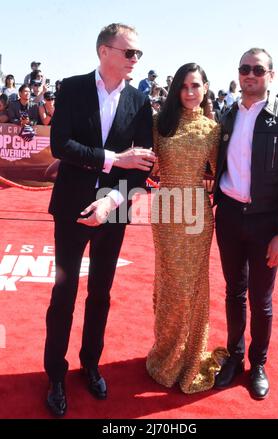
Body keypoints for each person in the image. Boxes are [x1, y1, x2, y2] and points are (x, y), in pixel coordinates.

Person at [44, 22, 156, 417]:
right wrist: (113, 159)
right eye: (129, 53)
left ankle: (90, 364)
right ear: (104, 52)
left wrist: (110, 200)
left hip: (114, 208)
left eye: (138, 54)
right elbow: (61, 144)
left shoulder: (140, 103)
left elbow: (140, 167)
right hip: (72, 207)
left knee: (101, 294)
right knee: (64, 293)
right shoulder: (72, 88)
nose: (135, 61)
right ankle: (55, 374)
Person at [213, 48, 278, 399]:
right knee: (233, 293)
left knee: (261, 299)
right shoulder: (227, 115)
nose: (250, 75)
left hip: (267, 222)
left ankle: (258, 363)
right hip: (230, 216)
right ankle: (233, 357)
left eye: (258, 69)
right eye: (244, 69)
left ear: (271, 75)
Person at [146, 63, 228, 394]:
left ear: (206, 88)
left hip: (196, 214)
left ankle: (190, 355)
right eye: (184, 86)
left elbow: (226, 170)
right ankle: (166, 354)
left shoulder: (212, 129)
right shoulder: (157, 124)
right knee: (168, 283)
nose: (190, 91)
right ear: (176, 90)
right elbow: (141, 161)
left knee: (190, 286)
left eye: (196, 85)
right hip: (165, 211)